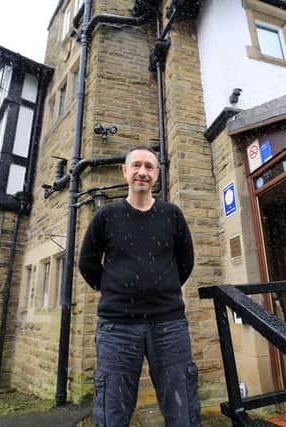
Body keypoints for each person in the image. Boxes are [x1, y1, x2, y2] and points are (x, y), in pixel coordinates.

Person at [79, 146, 201, 427]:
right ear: (125, 171)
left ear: (157, 174)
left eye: (149, 167)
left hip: (169, 326)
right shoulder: (106, 216)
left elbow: (186, 262)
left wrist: (161, 289)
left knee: (182, 410)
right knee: (113, 413)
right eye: (136, 166)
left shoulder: (172, 215)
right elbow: (87, 262)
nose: (142, 172)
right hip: (116, 328)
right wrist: (116, 290)